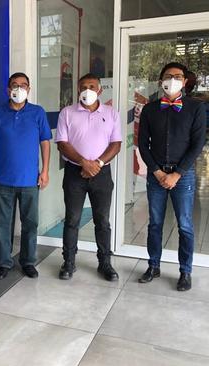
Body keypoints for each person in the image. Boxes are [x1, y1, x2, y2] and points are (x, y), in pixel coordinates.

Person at [138, 62, 206, 291]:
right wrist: (157, 171)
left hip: (182, 175)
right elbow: (142, 144)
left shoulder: (195, 108)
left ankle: (185, 272)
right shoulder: (150, 109)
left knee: (185, 225)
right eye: (168, 76)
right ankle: (153, 266)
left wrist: (177, 173)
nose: (173, 79)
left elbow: (197, 144)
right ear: (161, 80)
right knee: (155, 223)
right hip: (156, 174)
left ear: (185, 81)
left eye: (178, 76)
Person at [56, 73, 122, 281]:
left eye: (92, 86)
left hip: (101, 174)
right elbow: (62, 143)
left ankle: (105, 263)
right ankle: (68, 262)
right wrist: (84, 162)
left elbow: (116, 144)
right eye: (83, 86)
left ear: (100, 90)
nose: (87, 90)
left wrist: (97, 164)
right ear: (77, 89)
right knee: (72, 219)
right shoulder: (67, 113)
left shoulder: (112, 113)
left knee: (102, 221)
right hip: (75, 173)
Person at [0, 72, 52, 280]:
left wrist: (45, 170)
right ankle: (4, 262)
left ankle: (28, 262)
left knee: (30, 223)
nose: (19, 88)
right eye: (14, 85)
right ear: (8, 89)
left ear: (29, 89)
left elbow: (45, 142)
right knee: (1, 224)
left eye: (23, 85)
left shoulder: (37, 113)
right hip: (2, 179)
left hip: (29, 180)